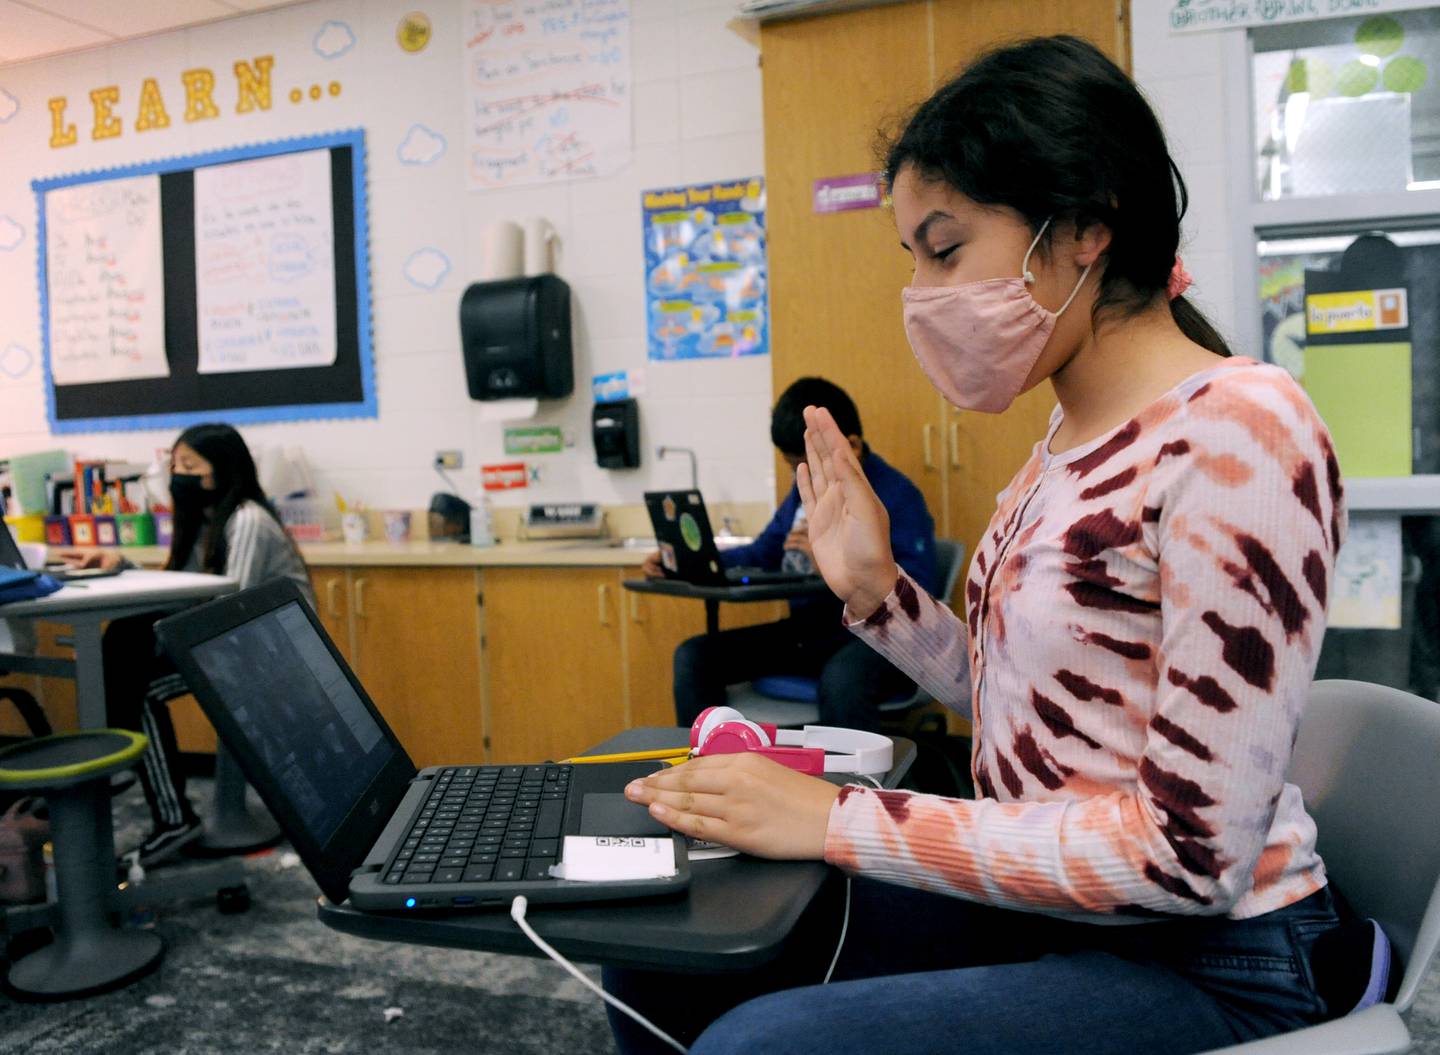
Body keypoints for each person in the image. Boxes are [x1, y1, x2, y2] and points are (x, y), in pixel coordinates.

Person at [609, 36, 1350, 1055]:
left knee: (758, 1044)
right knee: (664, 941)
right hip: (1062, 907)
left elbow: (1189, 854)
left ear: (1083, 227)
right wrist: (877, 594)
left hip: (1214, 954)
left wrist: (837, 819)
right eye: (913, 255)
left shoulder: (1241, 429)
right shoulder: (1060, 445)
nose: (923, 292)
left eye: (945, 248)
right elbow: (1024, 705)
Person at [65, 423, 314, 865]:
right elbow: (182, 584)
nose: (178, 475)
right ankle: (129, 766)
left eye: (189, 466)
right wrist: (120, 563)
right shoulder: (205, 519)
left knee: (140, 687)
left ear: (224, 469)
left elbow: (226, 606)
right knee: (125, 635)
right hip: (236, 644)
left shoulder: (248, 520)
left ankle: (169, 813)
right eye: (174, 465)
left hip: (273, 652)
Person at [645, 377, 936, 733]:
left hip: (878, 638)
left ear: (853, 446)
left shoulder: (899, 496)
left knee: (841, 680)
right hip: (811, 634)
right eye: (793, 467)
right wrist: (687, 563)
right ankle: (706, 773)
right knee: (694, 657)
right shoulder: (805, 492)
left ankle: (854, 788)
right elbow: (765, 550)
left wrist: (842, 567)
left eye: (811, 465)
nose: (803, 477)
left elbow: (922, 590)